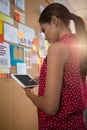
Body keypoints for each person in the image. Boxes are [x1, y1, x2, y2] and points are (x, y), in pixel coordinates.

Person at [24, 3, 87, 130]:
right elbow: (70, 77)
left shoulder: (57, 48)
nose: (45, 37)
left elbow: (50, 107)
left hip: (58, 125)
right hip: (77, 123)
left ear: (54, 20)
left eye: (44, 30)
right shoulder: (77, 45)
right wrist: (42, 77)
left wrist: (29, 94)